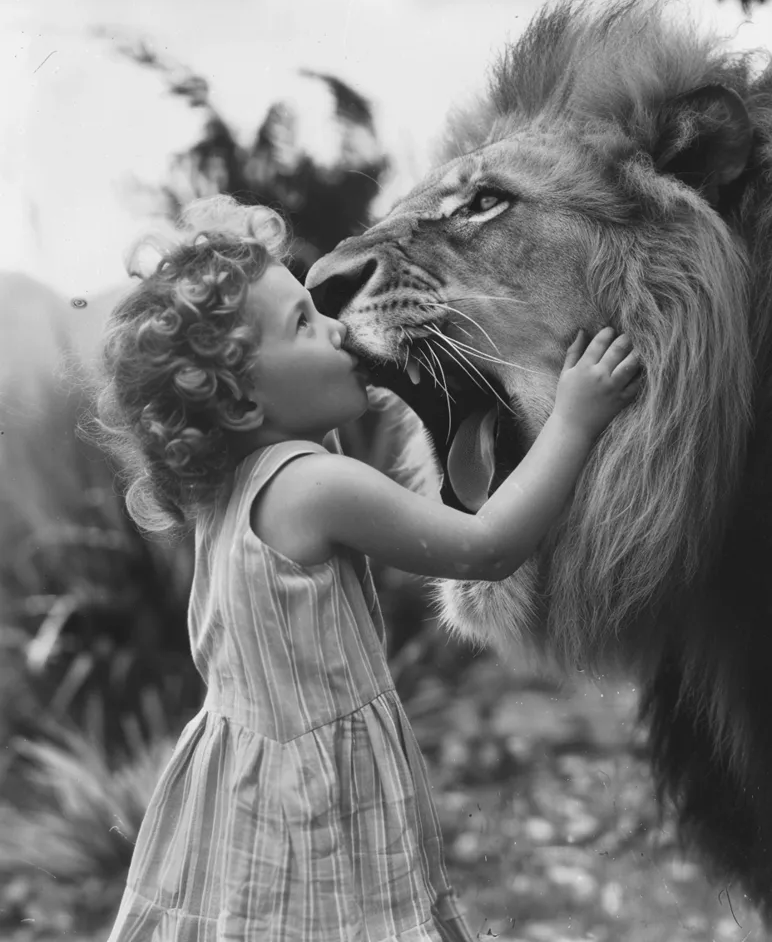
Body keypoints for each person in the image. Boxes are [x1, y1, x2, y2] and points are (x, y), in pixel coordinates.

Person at [96, 195, 640, 942]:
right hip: (317, 793)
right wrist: (574, 419)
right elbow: (487, 548)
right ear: (244, 400)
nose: (336, 324)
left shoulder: (226, 498)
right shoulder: (315, 485)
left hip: (246, 789)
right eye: (303, 323)